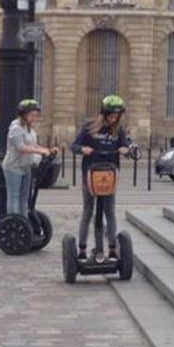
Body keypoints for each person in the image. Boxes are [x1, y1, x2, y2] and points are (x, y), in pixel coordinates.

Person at [71, 94, 132, 261]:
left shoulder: (118, 130)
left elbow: (126, 146)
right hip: (90, 174)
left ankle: (112, 249)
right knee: (88, 211)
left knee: (109, 211)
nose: (114, 118)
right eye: (111, 115)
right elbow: (74, 146)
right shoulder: (89, 127)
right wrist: (83, 149)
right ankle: (82, 249)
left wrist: (125, 150)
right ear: (104, 113)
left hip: (109, 175)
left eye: (117, 116)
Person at [1, 99, 58, 217]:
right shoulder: (16, 128)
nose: (34, 118)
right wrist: (40, 151)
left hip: (26, 167)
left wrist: (47, 150)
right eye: (32, 115)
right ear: (23, 114)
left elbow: (33, 145)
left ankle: (24, 222)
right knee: (14, 196)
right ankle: (14, 222)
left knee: (25, 197)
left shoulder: (29, 129)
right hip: (13, 167)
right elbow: (21, 147)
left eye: (35, 115)